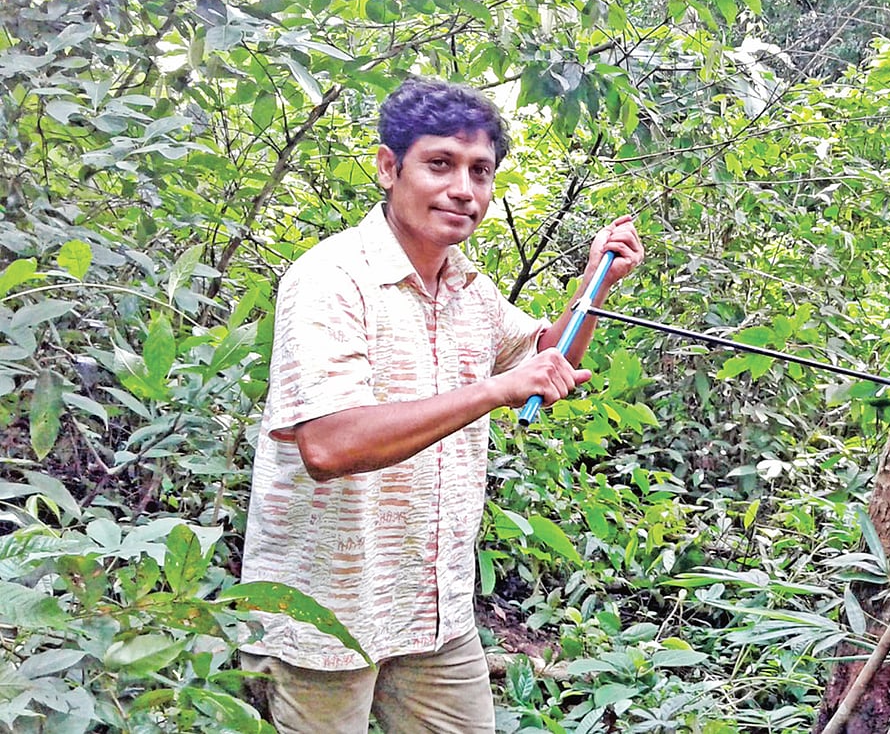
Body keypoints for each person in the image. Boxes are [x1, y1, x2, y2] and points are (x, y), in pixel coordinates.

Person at [237, 76, 642, 733]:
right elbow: (328, 445)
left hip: (432, 609)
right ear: (388, 167)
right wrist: (491, 391)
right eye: (440, 164)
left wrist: (595, 281)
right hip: (324, 614)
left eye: (480, 172)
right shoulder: (331, 279)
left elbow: (546, 355)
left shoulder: (469, 288)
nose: (463, 189)